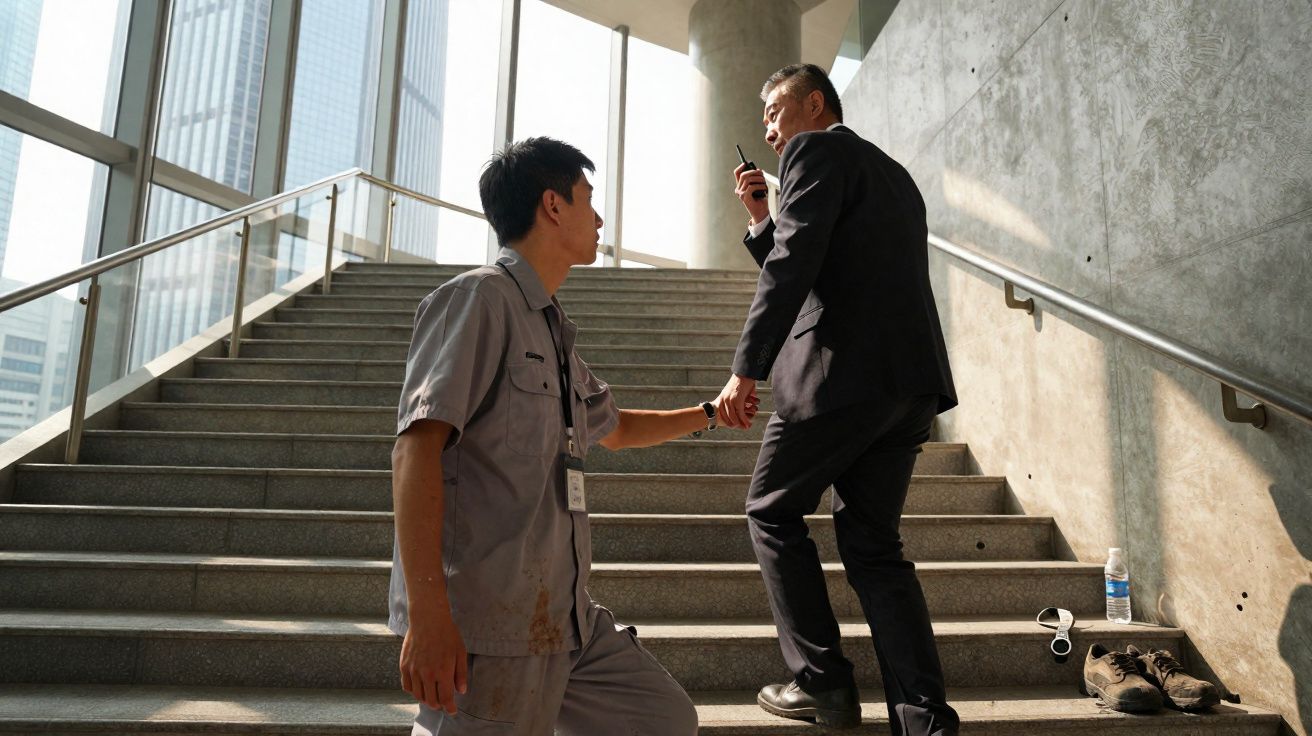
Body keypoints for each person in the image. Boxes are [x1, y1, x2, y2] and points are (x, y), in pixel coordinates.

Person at [389, 137, 755, 735]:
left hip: (567, 621)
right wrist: (429, 616)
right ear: (553, 206)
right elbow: (415, 447)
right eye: (588, 199)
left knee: (662, 719)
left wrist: (711, 412)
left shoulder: (553, 329)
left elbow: (615, 429)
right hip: (491, 627)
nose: (600, 217)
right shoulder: (478, 298)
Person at [715, 64, 961, 735]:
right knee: (874, 548)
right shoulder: (892, 173)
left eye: (775, 110)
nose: (769, 128)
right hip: (909, 385)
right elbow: (823, 255)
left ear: (815, 102)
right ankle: (926, 720)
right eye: (764, 120)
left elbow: (796, 264)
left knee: (769, 508)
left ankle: (822, 684)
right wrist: (765, 215)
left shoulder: (813, 149)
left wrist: (747, 368)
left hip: (838, 378)